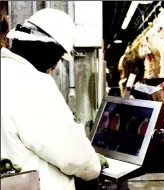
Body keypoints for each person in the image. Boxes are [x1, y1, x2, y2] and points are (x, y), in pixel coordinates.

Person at [1, 8, 101, 190]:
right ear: (46, 50)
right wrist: (94, 165)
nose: (54, 67)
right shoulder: (34, 83)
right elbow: (73, 155)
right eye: (58, 57)